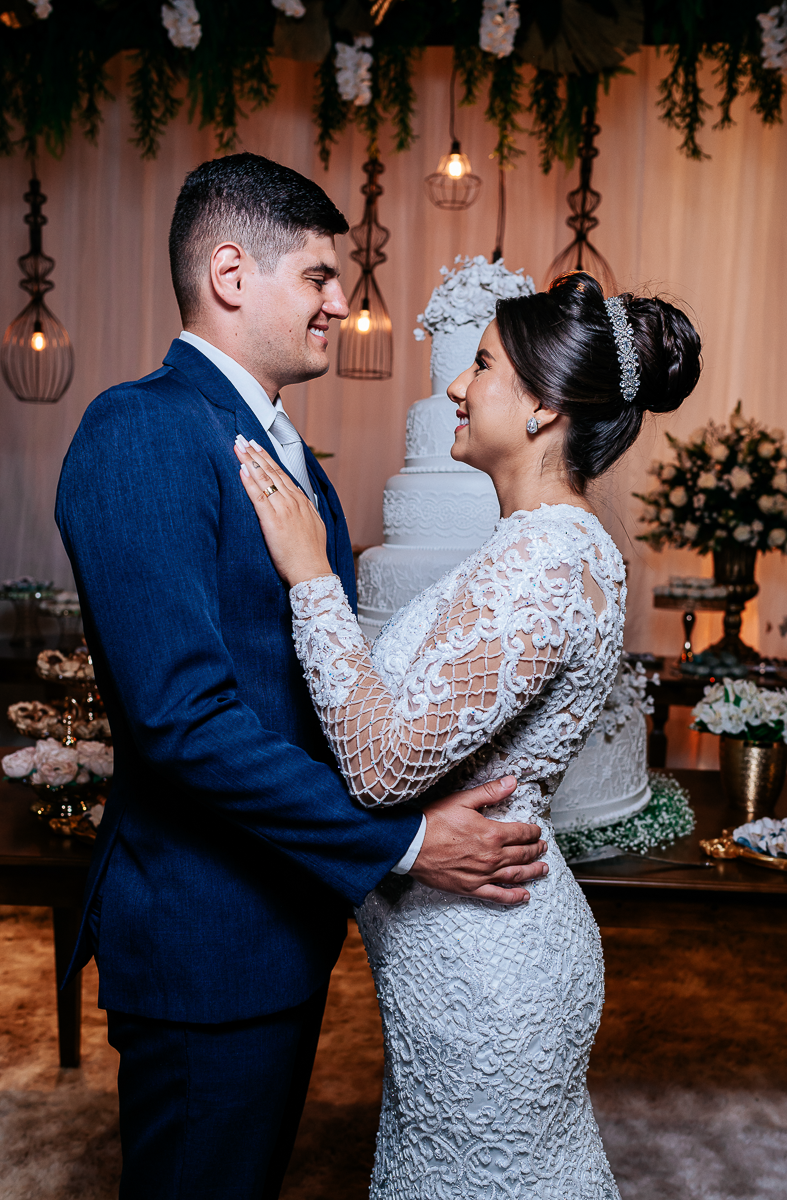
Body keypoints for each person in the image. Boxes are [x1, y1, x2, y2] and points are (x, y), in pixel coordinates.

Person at [55, 153, 548, 1200]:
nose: (342, 302)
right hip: (205, 939)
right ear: (232, 274)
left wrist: (423, 787)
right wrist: (409, 843)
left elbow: (312, 691)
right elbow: (183, 721)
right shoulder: (142, 429)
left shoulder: (289, 456)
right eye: (320, 276)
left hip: (279, 925)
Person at [233, 271, 702, 1198]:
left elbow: (379, 764)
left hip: (486, 971)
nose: (456, 384)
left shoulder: (545, 558)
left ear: (543, 407)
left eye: (481, 365)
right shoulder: (544, 545)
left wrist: (310, 578)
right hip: (472, 948)